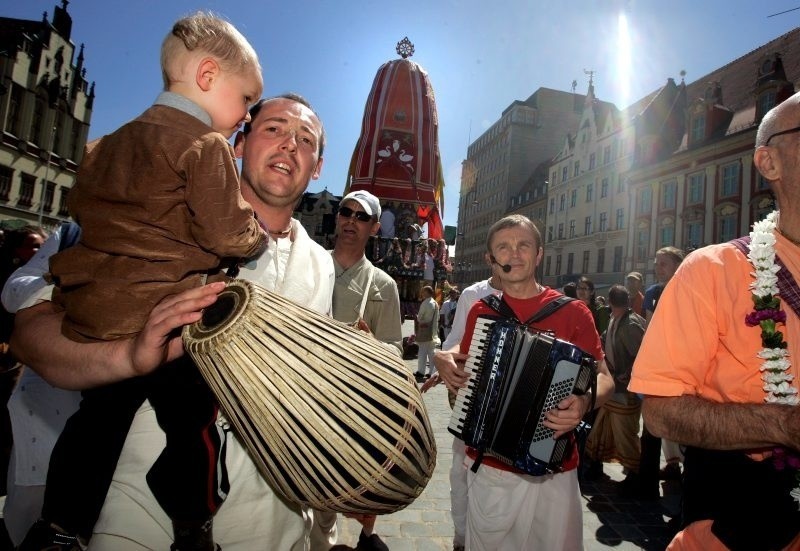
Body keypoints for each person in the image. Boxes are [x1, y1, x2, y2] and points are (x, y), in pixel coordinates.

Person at [9, 93, 333, 550]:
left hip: (276, 513)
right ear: (237, 144)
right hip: (140, 505)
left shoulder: (322, 264)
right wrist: (126, 354)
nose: (289, 146)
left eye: (306, 140)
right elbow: (27, 333)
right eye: (274, 129)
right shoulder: (144, 220)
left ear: (317, 167)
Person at [19, 14, 268, 550]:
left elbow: (83, 213)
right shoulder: (206, 148)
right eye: (246, 100)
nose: (245, 116)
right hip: (171, 320)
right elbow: (226, 231)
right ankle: (193, 523)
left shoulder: (103, 145)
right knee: (194, 425)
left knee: (95, 424)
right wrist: (253, 237)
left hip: (99, 318)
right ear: (207, 76)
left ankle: (61, 525)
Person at [630, 93, 800, 550]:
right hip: (740, 523)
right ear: (768, 161)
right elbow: (660, 410)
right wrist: (783, 425)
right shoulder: (712, 270)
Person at [436, 214, 613, 550]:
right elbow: (463, 359)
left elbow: (605, 378)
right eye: (503, 247)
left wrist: (585, 402)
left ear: (539, 254)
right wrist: (444, 360)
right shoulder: (482, 312)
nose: (513, 254)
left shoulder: (575, 312)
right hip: (490, 466)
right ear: (491, 259)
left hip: (556, 468)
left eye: (523, 246)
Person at [325, 189, 401, 551]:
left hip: (348, 409)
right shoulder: (311, 265)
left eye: (361, 216)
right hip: (299, 398)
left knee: (333, 499)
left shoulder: (384, 285)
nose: (351, 220)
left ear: (374, 228)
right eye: (346, 212)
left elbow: (395, 353)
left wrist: (372, 345)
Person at [2, 226, 81, 546]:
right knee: (31, 515)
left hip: (124, 409)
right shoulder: (74, 231)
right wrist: (66, 276)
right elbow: (13, 293)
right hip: (49, 403)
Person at [429, 263, 502, 551]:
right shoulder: (474, 294)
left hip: (505, 399)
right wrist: (445, 365)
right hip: (471, 391)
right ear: (489, 257)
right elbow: (457, 337)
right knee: (462, 467)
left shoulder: (528, 294)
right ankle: (462, 537)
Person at [584, 284, 646, 488]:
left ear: (610, 302)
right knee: (600, 431)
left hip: (625, 390)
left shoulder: (630, 324)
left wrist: (625, 374)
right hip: (614, 389)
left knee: (625, 434)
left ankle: (636, 475)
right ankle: (595, 465)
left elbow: (641, 356)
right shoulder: (616, 318)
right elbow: (604, 341)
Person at [637, 246, 686, 501]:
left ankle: (679, 468)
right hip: (658, 366)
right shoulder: (653, 292)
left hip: (682, 366)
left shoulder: (689, 289)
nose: (658, 267)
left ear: (679, 264)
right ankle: (651, 476)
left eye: (663, 263)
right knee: (652, 424)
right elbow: (648, 329)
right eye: (657, 263)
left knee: (682, 422)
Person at [413, 286, 439, 382]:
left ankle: (421, 371)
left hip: (425, 330)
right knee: (431, 353)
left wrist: (418, 318)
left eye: (423, 292)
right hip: (433, 331)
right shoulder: (435, 303)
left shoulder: (426, 303)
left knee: (422, 351)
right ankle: (432, 372)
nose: (422, 294)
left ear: (428, 292)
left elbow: (420, 317)